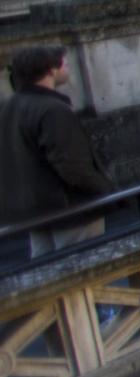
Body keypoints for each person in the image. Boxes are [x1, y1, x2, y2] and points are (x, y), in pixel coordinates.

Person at [3, 45, 111, 253]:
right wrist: (104, 190)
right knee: (84, 269)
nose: (68, 68)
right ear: (51, 70)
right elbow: (73, 166)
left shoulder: (11, 107)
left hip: (35, 213)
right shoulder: (52, 109)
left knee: (49, 274)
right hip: (70, 210)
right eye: (65, 64)